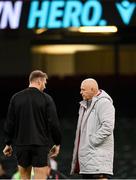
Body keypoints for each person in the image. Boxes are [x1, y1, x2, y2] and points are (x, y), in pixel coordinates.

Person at [3, 70, 61, 179]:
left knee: (24, 177)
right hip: (40, 145)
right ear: (39, 81)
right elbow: (54, 123)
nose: (45, 86)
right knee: (40, 177)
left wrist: (8, 143)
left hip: (21, 145)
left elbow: (10, 122)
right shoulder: (47, 99)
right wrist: (57, 143)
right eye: (44, 83)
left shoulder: (16, 98)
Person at [71, 78, 115, 179]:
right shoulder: (84, 105)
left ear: (92, 89)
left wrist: (92, 141)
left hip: (98, 162)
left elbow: (108, 127)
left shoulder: (104, 103)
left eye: (83, 89)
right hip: (88, 162)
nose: (80, 92)